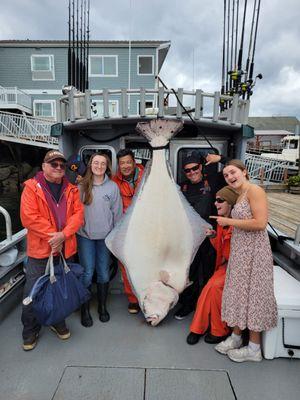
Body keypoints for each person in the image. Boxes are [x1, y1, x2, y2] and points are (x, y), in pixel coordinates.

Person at [213, 159, 277, 363]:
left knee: (254, 297)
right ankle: (236, 338)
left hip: (255, 254)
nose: (230, 177)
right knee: (240, 294)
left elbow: (260, 223)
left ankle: (254, 349)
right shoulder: (240, 194)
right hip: (241, 253)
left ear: (244, 172)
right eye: (226, 175)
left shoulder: (255, 190)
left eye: (233, 172)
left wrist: (228, 221)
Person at [20, 149, 84, 351]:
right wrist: (54, 237)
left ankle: (57, 321)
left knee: (59, 289)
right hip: (40, 251)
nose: (58, 168)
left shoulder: (72, 189)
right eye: (53, 164)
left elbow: (78, 216)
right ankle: (30, 329)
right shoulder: (31, 188)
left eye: (61, 165)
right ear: (44, 166)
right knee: (33, 290)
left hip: (64, 249)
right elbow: (29, 218)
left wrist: (63, 235)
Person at [174, 152, 228, 320]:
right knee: (188, 274)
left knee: (208, 273)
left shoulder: (214, 180)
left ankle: (206, 308)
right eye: (187, 170)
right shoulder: (181, 187)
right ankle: (187, 305)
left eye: (195, 168)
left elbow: (238, 169)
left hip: (210, 238)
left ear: (201, 167)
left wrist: (220, 159)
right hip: (189, 240)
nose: (192, 172)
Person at [186, 186, 238, 345]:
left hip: (237, 269)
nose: (216, 203)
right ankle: (198, 329)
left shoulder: (239, 224)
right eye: (215, 200)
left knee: (213, 288)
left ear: (230, 203)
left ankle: (218, 331)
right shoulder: (221, 223)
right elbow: (221, 249)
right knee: (207, 290)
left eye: (220, 200)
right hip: (225, 267)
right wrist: (214, 236)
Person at [77, 152, 122, 326]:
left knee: (103, 272)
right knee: (87, 272)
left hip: (105, 238)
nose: (99, 166)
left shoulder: (113, 187)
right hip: (85, 236)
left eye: (103, 163)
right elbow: (74, 212)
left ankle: (102, 307)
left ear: (107, 166)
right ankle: (85, 309)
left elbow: (117, 214)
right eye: (96, 163)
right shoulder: (81, 186)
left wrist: (115, 237)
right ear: (90, 165)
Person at [112, 149, 144, 314]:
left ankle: (146, 297)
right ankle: (133, 299)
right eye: (122, 163)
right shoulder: (114, 181)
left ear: (134, 162)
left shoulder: (147, 176)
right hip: (125, 230)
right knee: (126, 265)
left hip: (145, 229)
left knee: (146, 263)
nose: (125, 166)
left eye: (128, 162)